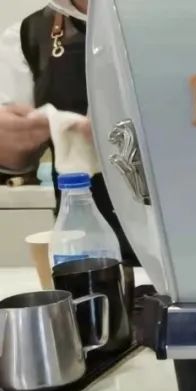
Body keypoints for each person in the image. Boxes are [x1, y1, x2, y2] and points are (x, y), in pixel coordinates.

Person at [0, 0, 137, 262]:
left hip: (189, 232)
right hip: (90, 244)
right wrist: (12, 141)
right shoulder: (28, 35)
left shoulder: (184, 18)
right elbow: (12, 160)